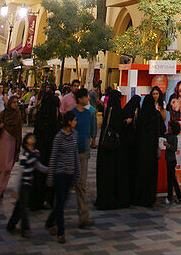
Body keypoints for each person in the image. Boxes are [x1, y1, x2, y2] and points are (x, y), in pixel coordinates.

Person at [46, 110, 80, 243]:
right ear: (69, 122)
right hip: (60, 173)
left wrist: (77, 172)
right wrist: (50, 177)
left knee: (63, 201)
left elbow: (75, 154)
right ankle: (61, 231)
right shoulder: (58, 137)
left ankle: (50, 221)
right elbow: (53, 157)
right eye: (74, 120)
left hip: (70, 172)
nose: (76, 123)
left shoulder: (74, 135)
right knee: (60, 202)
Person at [7, 131, 48, 237]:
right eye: (30, 137)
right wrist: (16, 189)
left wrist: (47, 170)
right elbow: (20, 172)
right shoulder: (24, 155)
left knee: (19, 206)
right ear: (26, 143)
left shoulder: (35, 153)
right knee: (24, 207)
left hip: (30, 183)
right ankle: (25, 228)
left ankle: (11, 225)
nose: (32, 138)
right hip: (23, 184)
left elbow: (37, 165)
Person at [96, 86, 130, 210]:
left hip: (105, 150)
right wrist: (126, 122)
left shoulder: (109, 110)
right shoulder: (115, 111)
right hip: (112, 149)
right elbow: (118, 125)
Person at [133, 85, 165, 207]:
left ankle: (139, 196)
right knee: (151, 174)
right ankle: (149, 197)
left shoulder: (141, 115)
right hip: (151, 149)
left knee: (141, 172)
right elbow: (162, 129)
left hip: (141, 150)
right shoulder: (156, 115)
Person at [30, 87, 60, 211]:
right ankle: (46, 199)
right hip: (49, 153)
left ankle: (37, 199)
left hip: (39, 152)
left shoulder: (40, 116)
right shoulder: (54, 119)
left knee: (39, 175)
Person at [0, 94, 23, 197]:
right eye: (13, 102)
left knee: (6, 166)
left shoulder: (17, 115)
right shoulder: (4, 113)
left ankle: (1, 189)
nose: (15, 104)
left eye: (16, 102)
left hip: (11, 142)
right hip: (1, 141)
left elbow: (18, 129)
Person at [72, 87, 96, 229]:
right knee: (64, 187)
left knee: (81, 185)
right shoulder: (72, 114)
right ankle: (55, 218)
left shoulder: (89, 114)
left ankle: (83, 216)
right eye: (86, 97)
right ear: (80, 99)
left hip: (83, 153)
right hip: (71, 153)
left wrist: (92, 141)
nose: (88, 99)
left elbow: (91, 130)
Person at [165, 117, 181, 205]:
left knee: (171, 179)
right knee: (171, 179)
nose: (168, 127)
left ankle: (171, 196)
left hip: (171, 160)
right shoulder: (168, 135)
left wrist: (168, 145)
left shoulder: (174, 138)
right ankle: (176, 196)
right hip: (169, 160)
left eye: (170, 126)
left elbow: (174, 148)